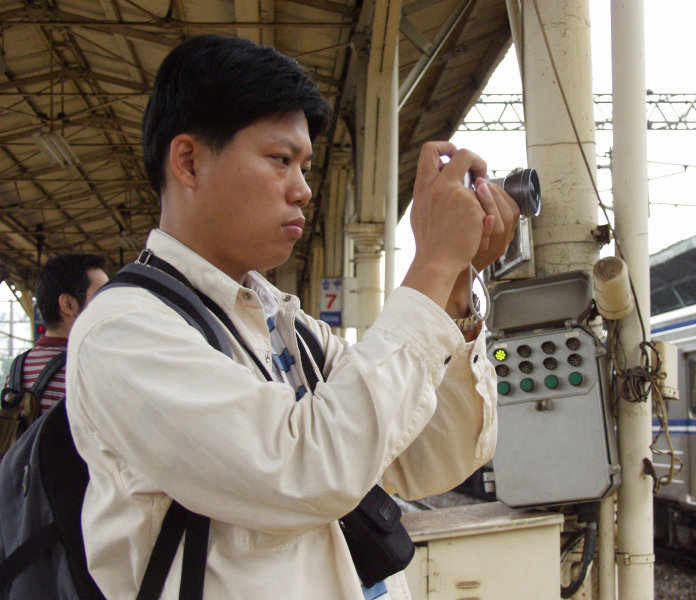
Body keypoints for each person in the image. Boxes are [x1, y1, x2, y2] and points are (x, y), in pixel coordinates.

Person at [66, 34, 519, 600]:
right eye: (281, 160)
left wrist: (454, 287)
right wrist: (432, 263)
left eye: (305, 166)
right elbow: (307, 469)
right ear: (188, 161)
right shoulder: (124, 333)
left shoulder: (286, 325)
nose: (303, 190)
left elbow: (430, 455)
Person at [2, 253, 107, 416]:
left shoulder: (18, 368)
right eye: (102, 297)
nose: (110, 306)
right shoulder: (89, 369)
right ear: (68, 304)